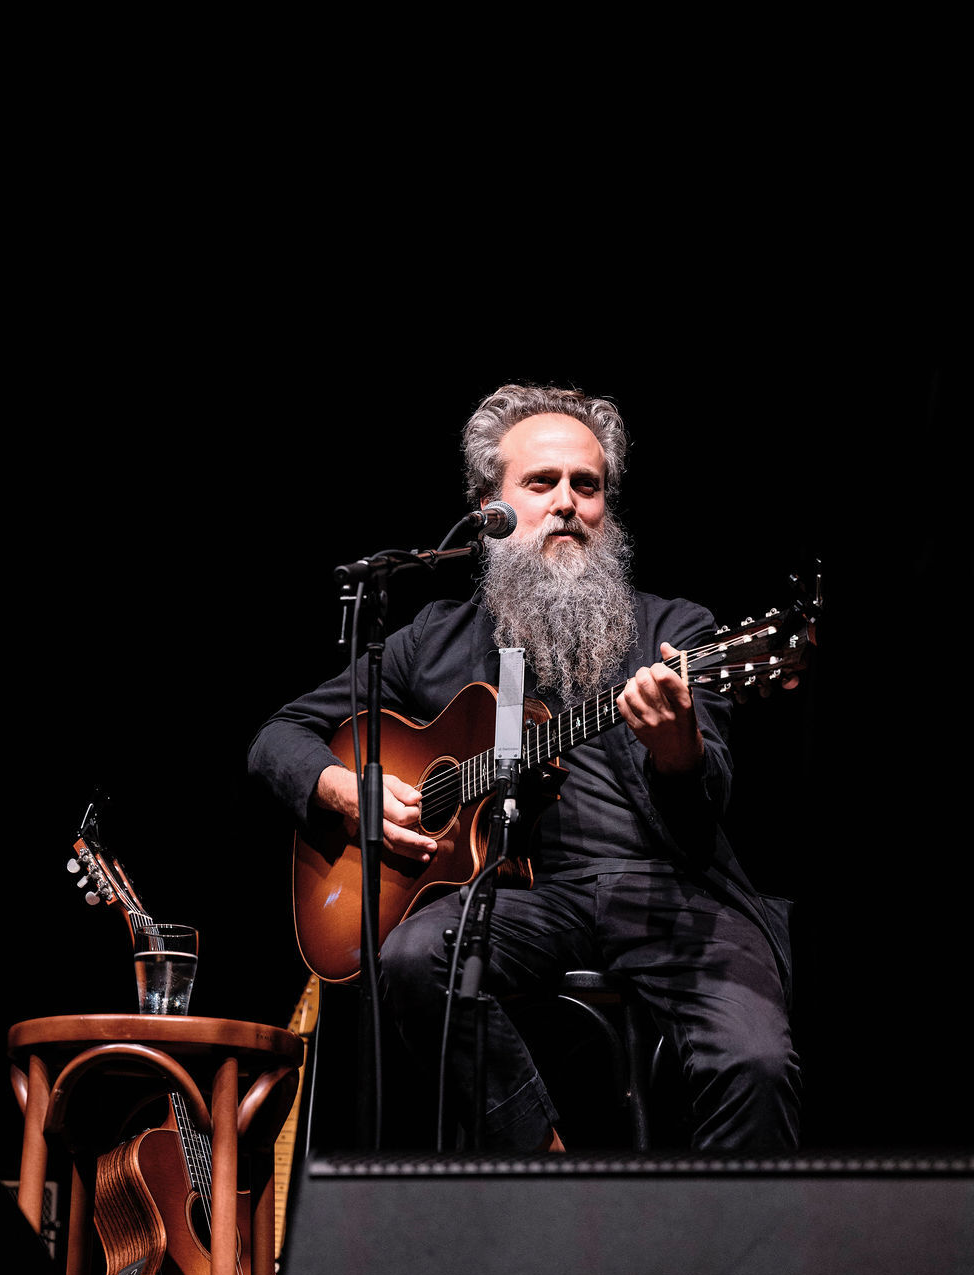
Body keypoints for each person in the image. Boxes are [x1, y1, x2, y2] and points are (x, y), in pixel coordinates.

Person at [248, 384, 801, 1154]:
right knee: (409, 958)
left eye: (587, 485)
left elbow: (707, 800)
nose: (567, 502)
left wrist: (680, 752)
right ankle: (544, 1176)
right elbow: (279, 738)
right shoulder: (433, 641)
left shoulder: (677, 630)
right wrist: (349, 790)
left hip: (665, 890)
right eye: (542, 483)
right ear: (489, 510)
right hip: (518, 897)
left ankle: (734, 1232)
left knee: (756, 1060)